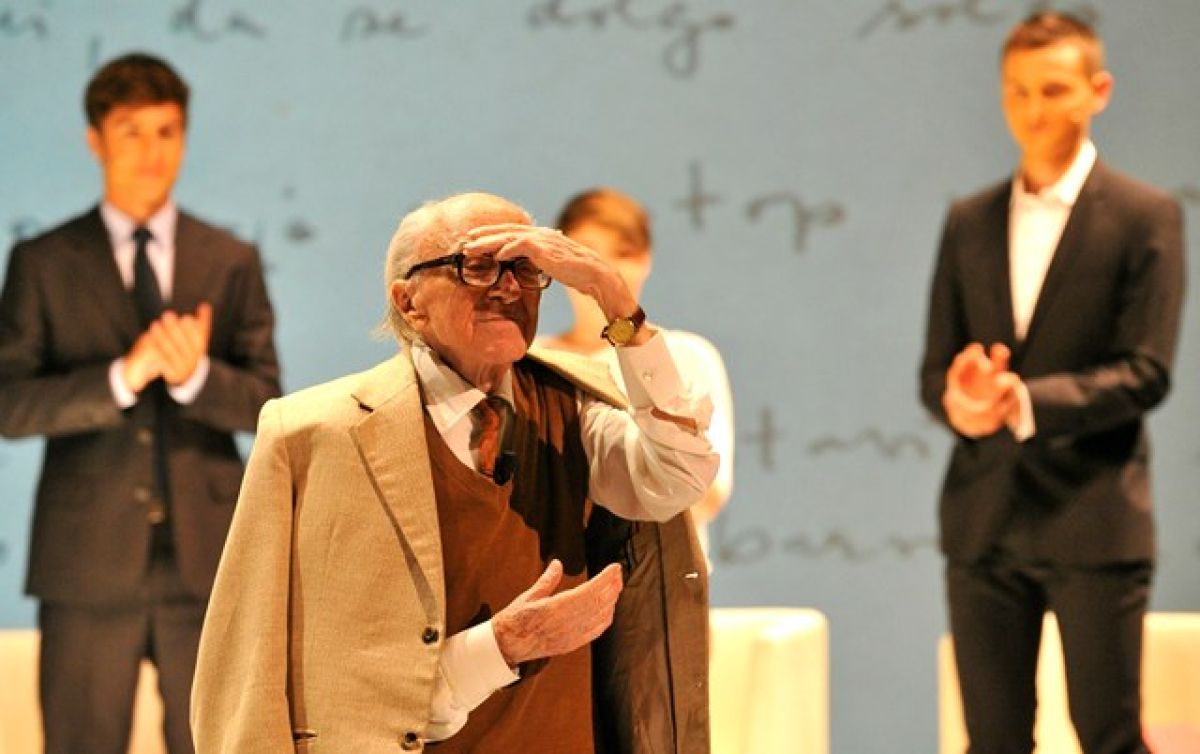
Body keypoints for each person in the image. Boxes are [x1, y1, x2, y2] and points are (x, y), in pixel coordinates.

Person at [190, 192, 718, 753]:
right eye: (478, 266)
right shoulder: (312, 435)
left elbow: (677, 475)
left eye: (525, 268)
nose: (508, 288)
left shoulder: (574, 406)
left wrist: (617, 304)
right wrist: (498, 648)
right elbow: (245, 667)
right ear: (409, 302)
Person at [0, 53, 281, 754]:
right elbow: (10, 404)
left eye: (167, 131)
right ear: (95, 139)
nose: (152, 152)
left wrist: (193, 378)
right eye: (131, 131)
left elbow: (267, 402)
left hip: (208, 560)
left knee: (217, 743)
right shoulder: (42, 261)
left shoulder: (231, 258)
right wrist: (122, 377)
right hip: (85, 561)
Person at [919, 13, 1184, 754]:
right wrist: (964, 401)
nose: (1033, 110)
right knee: (991, 741)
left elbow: (1147, 371)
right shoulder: (969, 220)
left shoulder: (1145, 216)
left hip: (1094, 514)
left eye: (1054, 89)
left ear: (1099, 91)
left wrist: (1025, 402)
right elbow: (936, 371)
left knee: (1108, 736)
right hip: (983, 516)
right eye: (1017, 90)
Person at [540, 187, 734, 562]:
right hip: (555, 571)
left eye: (623, 253)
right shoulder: (534, 359)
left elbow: (706, 492)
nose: (605, 269)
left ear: (646, 261)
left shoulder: (683, 355)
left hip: (661, 573)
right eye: (588, 251)